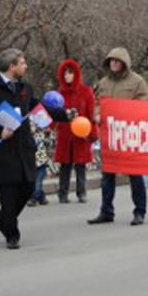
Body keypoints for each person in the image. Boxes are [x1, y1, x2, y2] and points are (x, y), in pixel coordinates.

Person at [0, 49, 73, 249]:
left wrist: (65, 114)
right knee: (8, 193)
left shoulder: (25, 88)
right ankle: (11, 233)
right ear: (12, 66)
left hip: (24, 147)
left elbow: (38, 108)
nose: (25, 66)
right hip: (4, 149)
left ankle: (3, 220)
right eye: (22, 63)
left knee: (28, 187)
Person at [88, 47, 148, 226]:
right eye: (111, 61)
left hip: (129, 135)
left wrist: (127, 112)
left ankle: (140, 211)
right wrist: (97, 114)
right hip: (109, 135)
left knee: (135, 175)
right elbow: (97, 103)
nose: (114, 64)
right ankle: (106, 211)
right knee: (107, 175)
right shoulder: (103, 83)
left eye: (117, 61)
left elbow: (145, 103)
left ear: (124, 63)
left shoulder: (137, 81)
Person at [54, 58, 97, 203]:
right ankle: (62, 193)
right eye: (65, 73)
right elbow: (54, 114)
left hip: (81, 133)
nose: (67, 76)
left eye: (70, 73)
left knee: (81, 165)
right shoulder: (59, 94)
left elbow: (91, 114)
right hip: (65, 134)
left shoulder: (86, 92)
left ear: (76, 74)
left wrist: (93, 133)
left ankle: (81, 192)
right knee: (65, 165)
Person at [27, 123, 51, 207]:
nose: (31, 128)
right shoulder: (26, 136)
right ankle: (42, 197)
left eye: (32, 126)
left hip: (41, 162)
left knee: (38, 182)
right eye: (29, 126)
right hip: (31, 163)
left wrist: (48, 140)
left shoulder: (40, 135)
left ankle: (33, 199)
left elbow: (48, 143)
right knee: (33, 182)